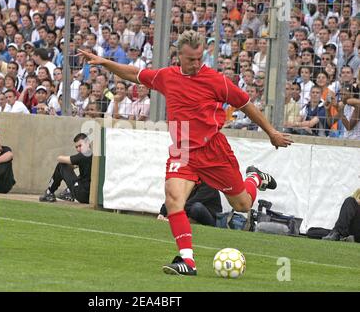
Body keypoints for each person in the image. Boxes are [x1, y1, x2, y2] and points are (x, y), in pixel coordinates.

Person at [78, 30, 292, 276]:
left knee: (242, 204)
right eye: (191, 59)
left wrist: (271, 132)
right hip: (182, 151)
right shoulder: (166, 76)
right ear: (179, 56)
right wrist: (105, 63)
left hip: (213, 149)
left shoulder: (216, 80)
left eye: (200, 58)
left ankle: (255, 177)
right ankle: (188, 262)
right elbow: (134, 74)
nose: (196, 63)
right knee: (173, 200)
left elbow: (245, 104)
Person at [39, 133, 93, 204]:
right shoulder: (94, 155)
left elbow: (60, 159)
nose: (78, 149)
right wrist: (74, 165)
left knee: (61, 165)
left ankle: (49, 192)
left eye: (80, 146)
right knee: (83, 176)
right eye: (76, 147)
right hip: (91, 196)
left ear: (87, 143)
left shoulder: (83, 155)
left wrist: (66, 162)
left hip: (82, 194)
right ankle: (69, 192)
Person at [157, 182, 222, 227]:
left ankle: (181, 223)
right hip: (190, 213)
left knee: (197, 207)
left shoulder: (209, 186)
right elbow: (173, 198)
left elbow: (190, 204)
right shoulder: (187, 185)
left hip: (211, 219)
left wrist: (172, 216)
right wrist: (162, 213)